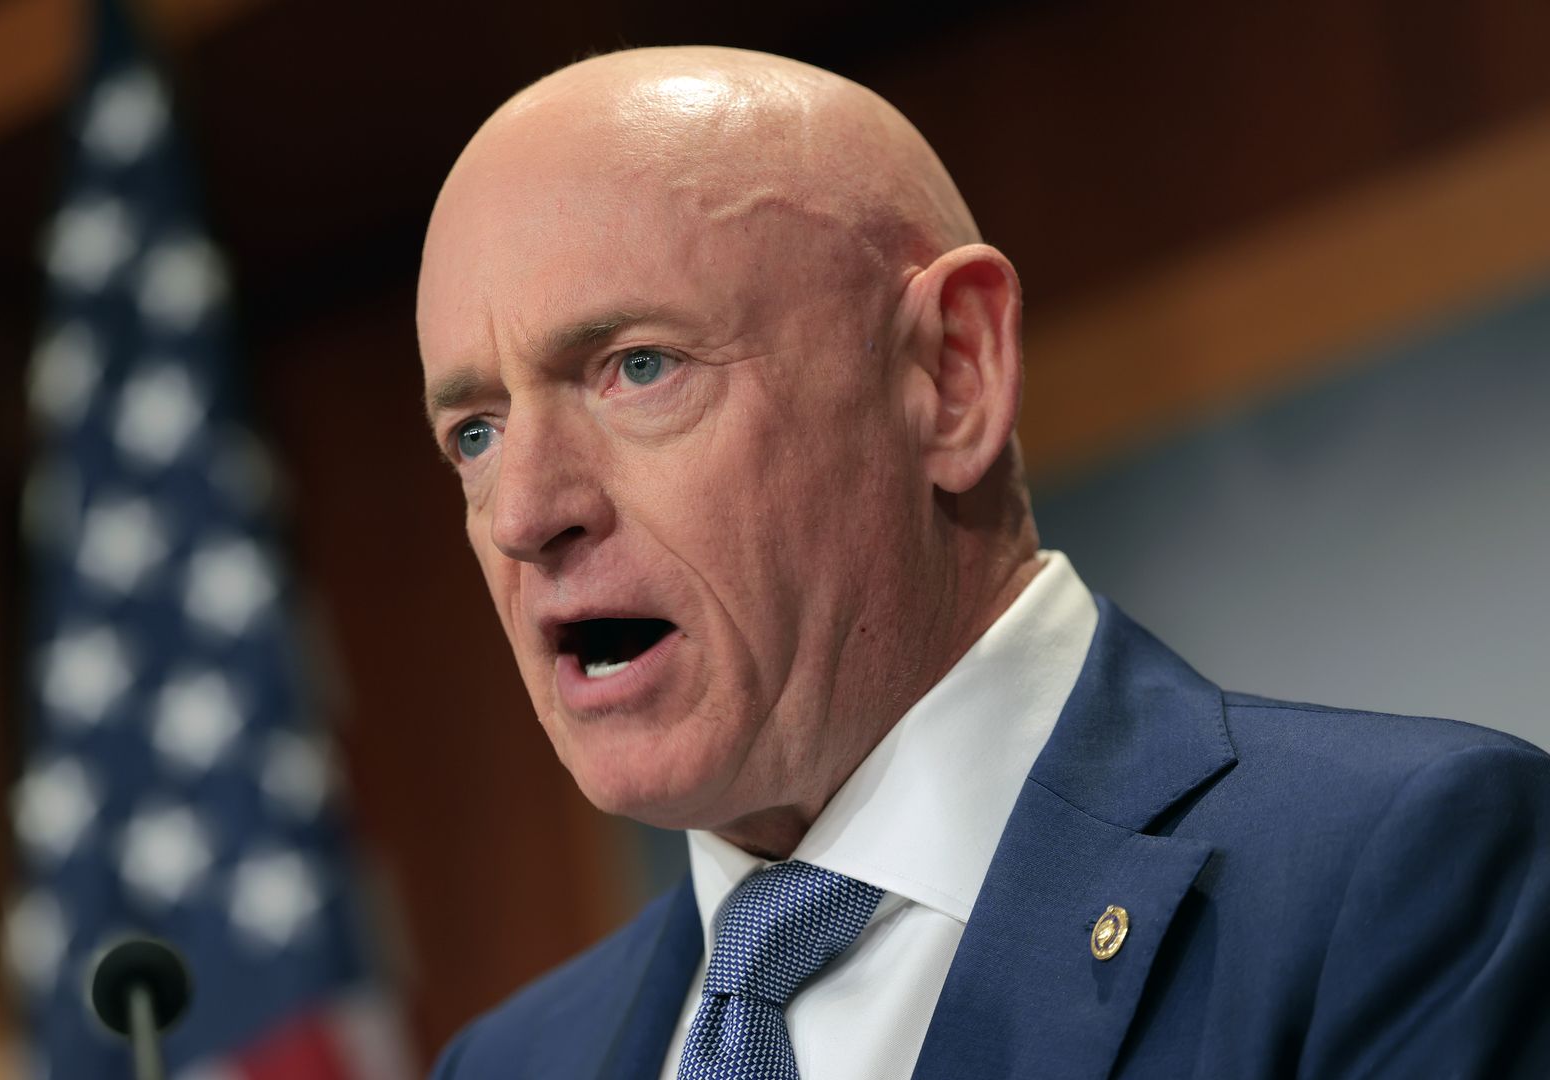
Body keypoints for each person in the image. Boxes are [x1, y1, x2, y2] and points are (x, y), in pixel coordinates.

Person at [414, 45, 1550, 1079]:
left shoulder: (1397, 880)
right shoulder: (507, 1066)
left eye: (638, 367)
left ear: (951, 373)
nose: (525, 512)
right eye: (476, 431)